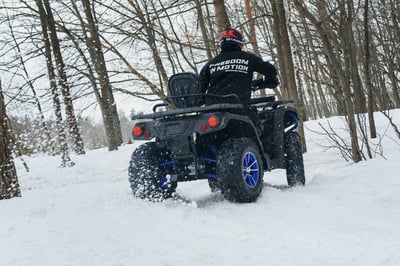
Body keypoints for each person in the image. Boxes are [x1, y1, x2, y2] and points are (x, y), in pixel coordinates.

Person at [199, 28, 279, 105]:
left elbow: (200, 86)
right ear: (239, 42)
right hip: (239, 107)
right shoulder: (248, 58)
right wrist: (264, 82)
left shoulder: (211, 63)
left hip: (212, 107)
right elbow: (271, 70)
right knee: (258, 118)